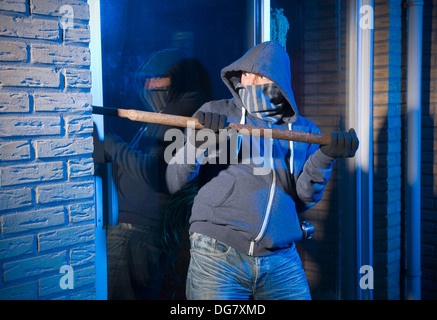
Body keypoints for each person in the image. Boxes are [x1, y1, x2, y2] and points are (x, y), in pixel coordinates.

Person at [165, 41, 359, 300]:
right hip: (218, 253)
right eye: (245, 74)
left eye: (259, 75)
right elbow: (174, 181)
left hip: (281, 260)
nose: (249, 80)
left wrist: (324, 158)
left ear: (278, 82)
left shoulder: (304, 132)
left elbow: (303, 200)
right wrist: (199, 143)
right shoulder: (216, 113)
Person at [96, 53, 210, 299]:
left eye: (155, 79)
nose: (147, 86)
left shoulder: (180, 117)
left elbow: (156, 175)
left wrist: (111, 146)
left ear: (175, 80)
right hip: (140, 233)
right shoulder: (163, 114)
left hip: (136, 234)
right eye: (145, 80)